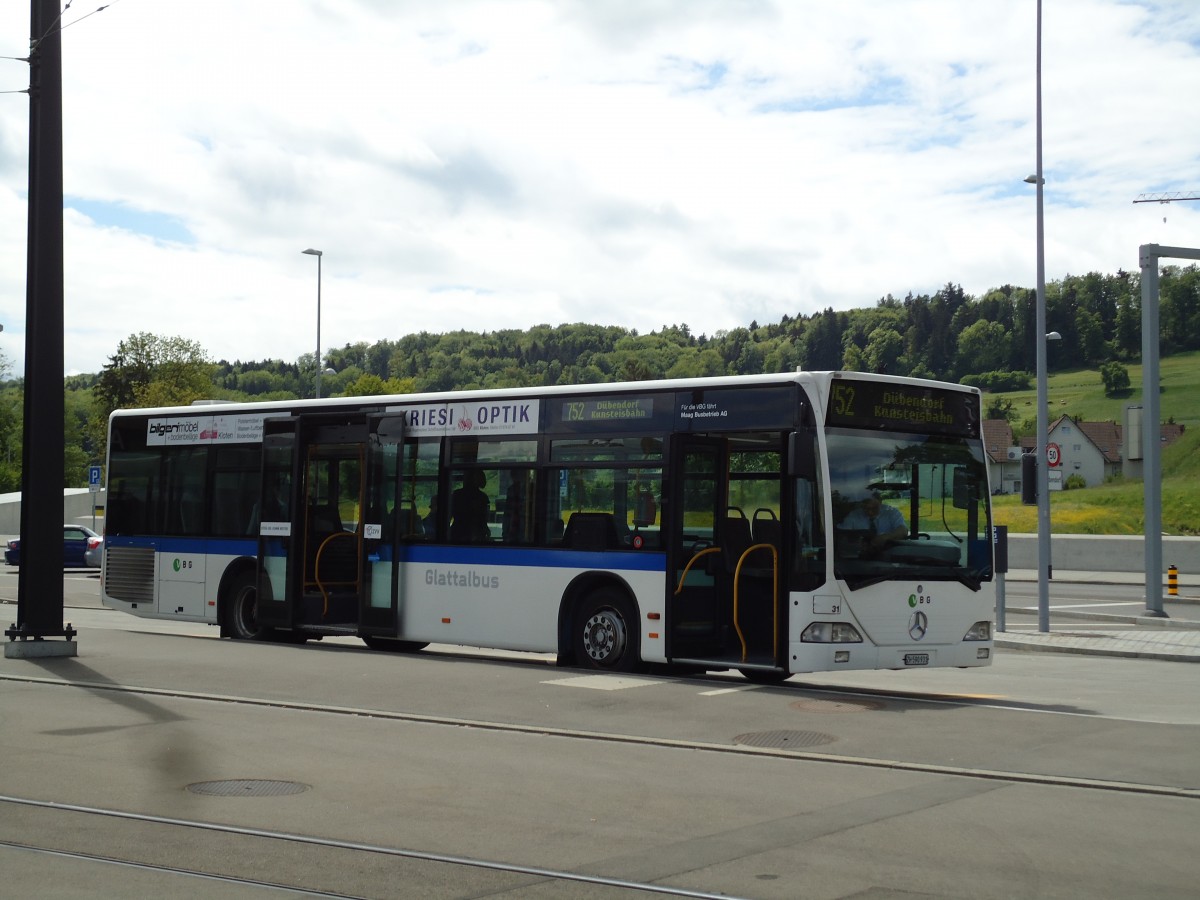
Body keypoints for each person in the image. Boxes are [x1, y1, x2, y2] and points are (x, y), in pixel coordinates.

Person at [841, 490, 907, 551]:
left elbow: (903, 531)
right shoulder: (854, 515)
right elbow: (842, 535)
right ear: (861, 505)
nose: (870, 512)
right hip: (861, 554)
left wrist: (886, 537)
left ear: (880, 502)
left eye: (874, 508)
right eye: (866, 508)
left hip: (887, 552)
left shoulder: (891, 512)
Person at [449, 470, 491, 542]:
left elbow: (450, 513)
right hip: (476, 532)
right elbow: (484, 517)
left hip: (458, 531)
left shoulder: (457, 494)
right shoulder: (483, 497)